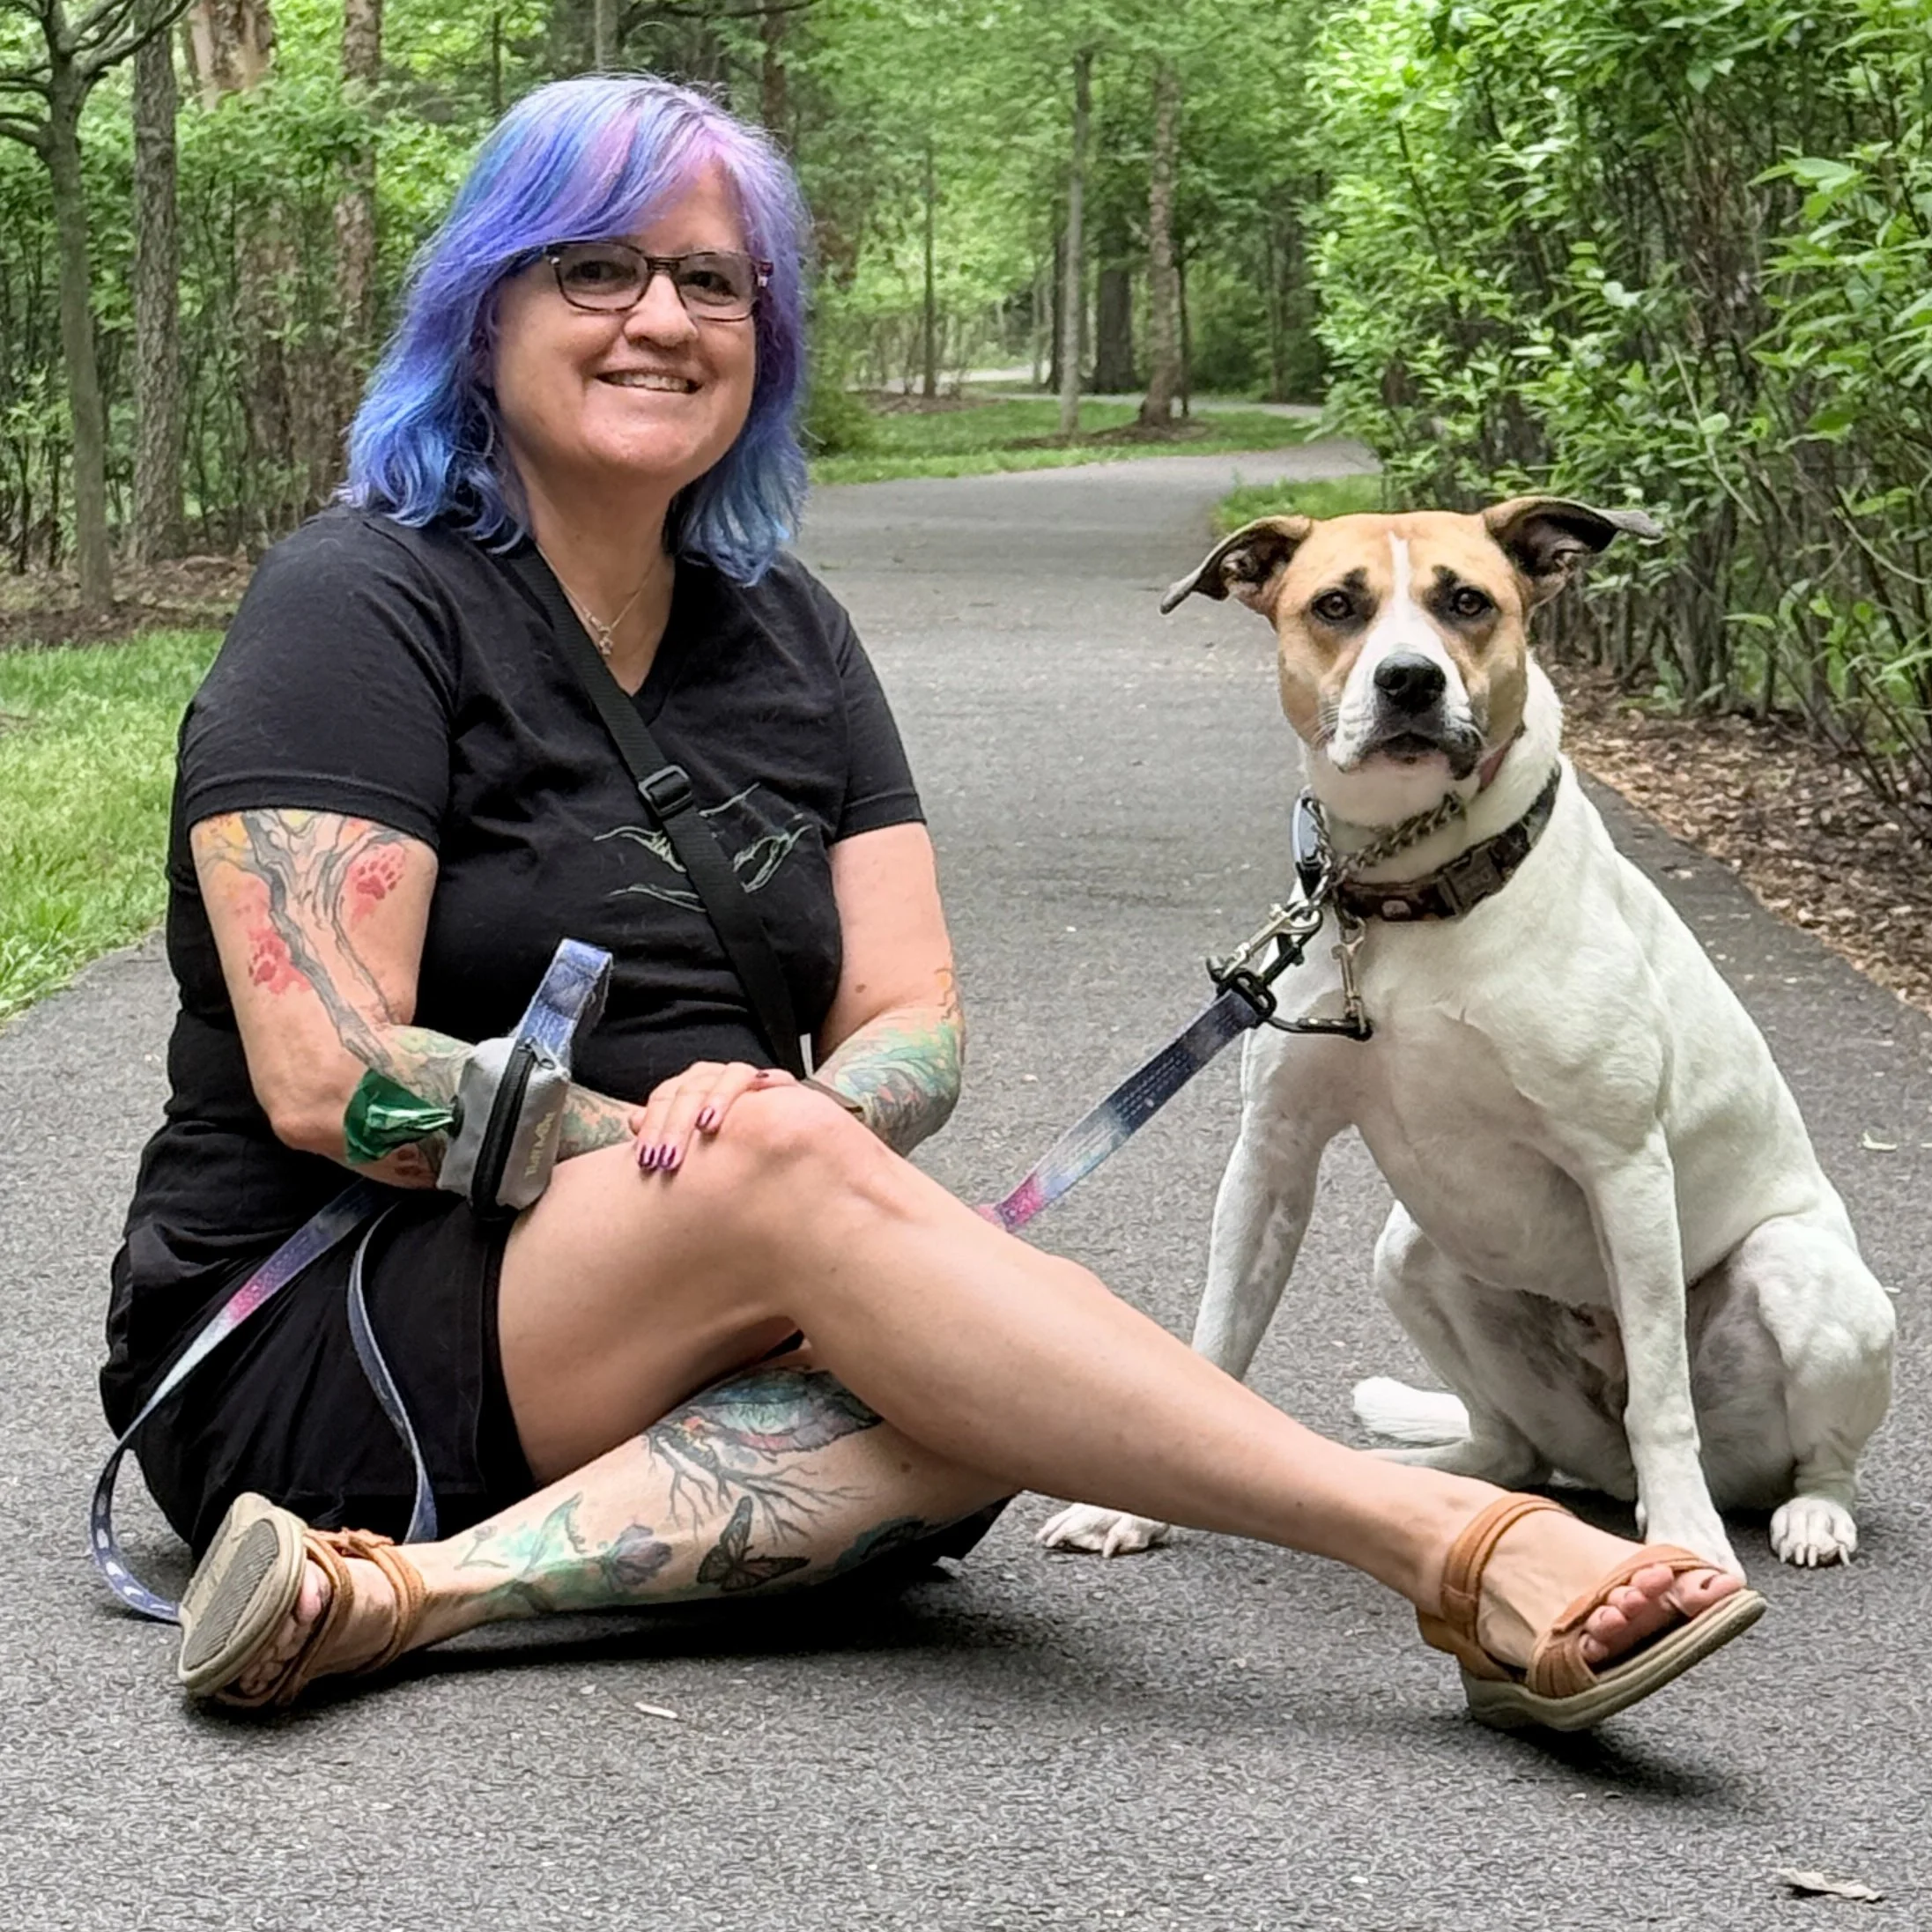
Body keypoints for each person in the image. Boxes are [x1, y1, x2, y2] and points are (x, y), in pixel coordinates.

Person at [102, 72, 1758, 1726]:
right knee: (959, 1329)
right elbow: (325, 1079)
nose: (659, 319)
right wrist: (712, 1158)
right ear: (484, 306)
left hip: (688, 1318)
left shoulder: (786, 635)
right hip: (319, 1329)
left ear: (766, 335)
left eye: (712, 281)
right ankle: (1452, 1543)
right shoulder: (361, 601)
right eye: (594, 269)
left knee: (999, 1399)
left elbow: (913, 1024)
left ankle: (398, 1591)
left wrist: (801, 1153)